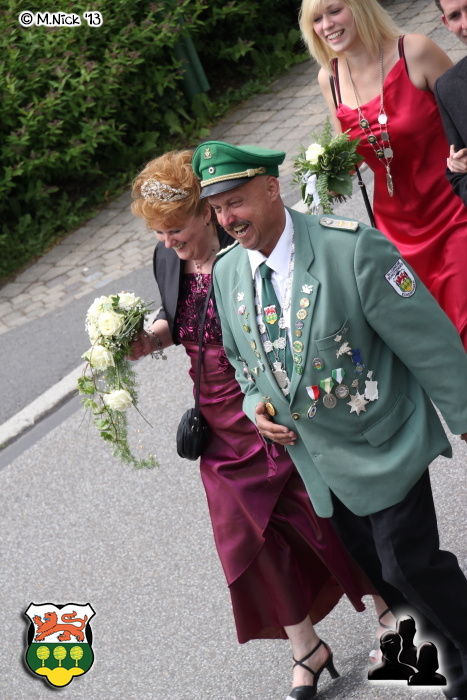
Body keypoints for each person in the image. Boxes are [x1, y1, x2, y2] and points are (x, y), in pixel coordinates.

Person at [197, 139, 467, 700]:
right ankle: (452, 664)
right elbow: (241, 363)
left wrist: (464, 414)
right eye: (217, 209)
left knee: (409, 565)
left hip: (385, 440)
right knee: (387, 577)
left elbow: (427, 338)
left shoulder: (351, 249)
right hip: (321, 465)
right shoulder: (227, 273)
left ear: (272, 188)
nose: (228, 220)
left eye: (236, 202)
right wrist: (254, 406)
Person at [128, 150, 387, 700]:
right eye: (158, 233)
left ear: (206, 213)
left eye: (175, 230)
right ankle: (306, 648)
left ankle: (390, 610)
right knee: (247, 538)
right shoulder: (167, 260)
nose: (167, 242)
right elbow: (178, 317)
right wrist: (149, 339)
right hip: (217, 422)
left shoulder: (246, 248)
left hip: (270, 403)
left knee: (324, 515)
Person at [299, 0, 467, 348]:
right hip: (397, 231)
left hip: (453, 211)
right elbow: (350, 154)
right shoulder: (330, 78)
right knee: (435, 338)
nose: (326, 25)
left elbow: (463, 108)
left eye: (334, 11)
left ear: (359, 7)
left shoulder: (415, 51)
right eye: (316, 19)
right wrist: (324, 176)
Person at [434, 0, 467, 206]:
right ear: (446, 23)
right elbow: (457, 175)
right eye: (455, 16)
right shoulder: (447, 87)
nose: (466, 23)